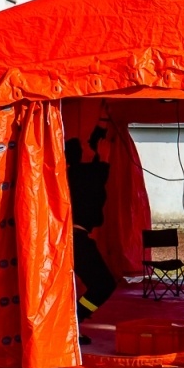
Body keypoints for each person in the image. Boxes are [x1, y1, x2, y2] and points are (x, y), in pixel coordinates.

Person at [66, 129, 117, 323]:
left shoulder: (76, 174)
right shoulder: (80, 175)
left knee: (102, 285)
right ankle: (75, 321)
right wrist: (103, 157)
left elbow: (97, 173)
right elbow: (98, 174)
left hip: (75, 238)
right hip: (76, 240)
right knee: (104, 285)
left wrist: (101, 157)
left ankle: (75, 321)